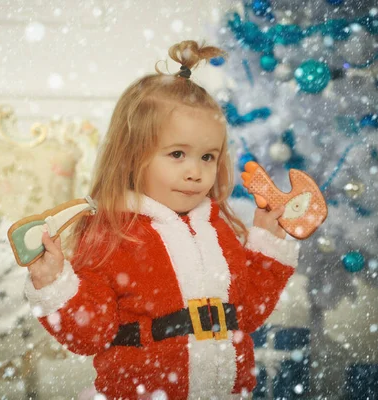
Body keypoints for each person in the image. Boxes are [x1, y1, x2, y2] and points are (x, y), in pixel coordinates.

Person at [24, 40, 300, 399]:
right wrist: (54, 285)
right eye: (177, 154)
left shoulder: (215, 228)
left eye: (207, 157)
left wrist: (267, 246)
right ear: (132, 157)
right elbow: (89, 334)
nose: (195, 172)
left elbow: (246, 312)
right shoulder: (114, 234)